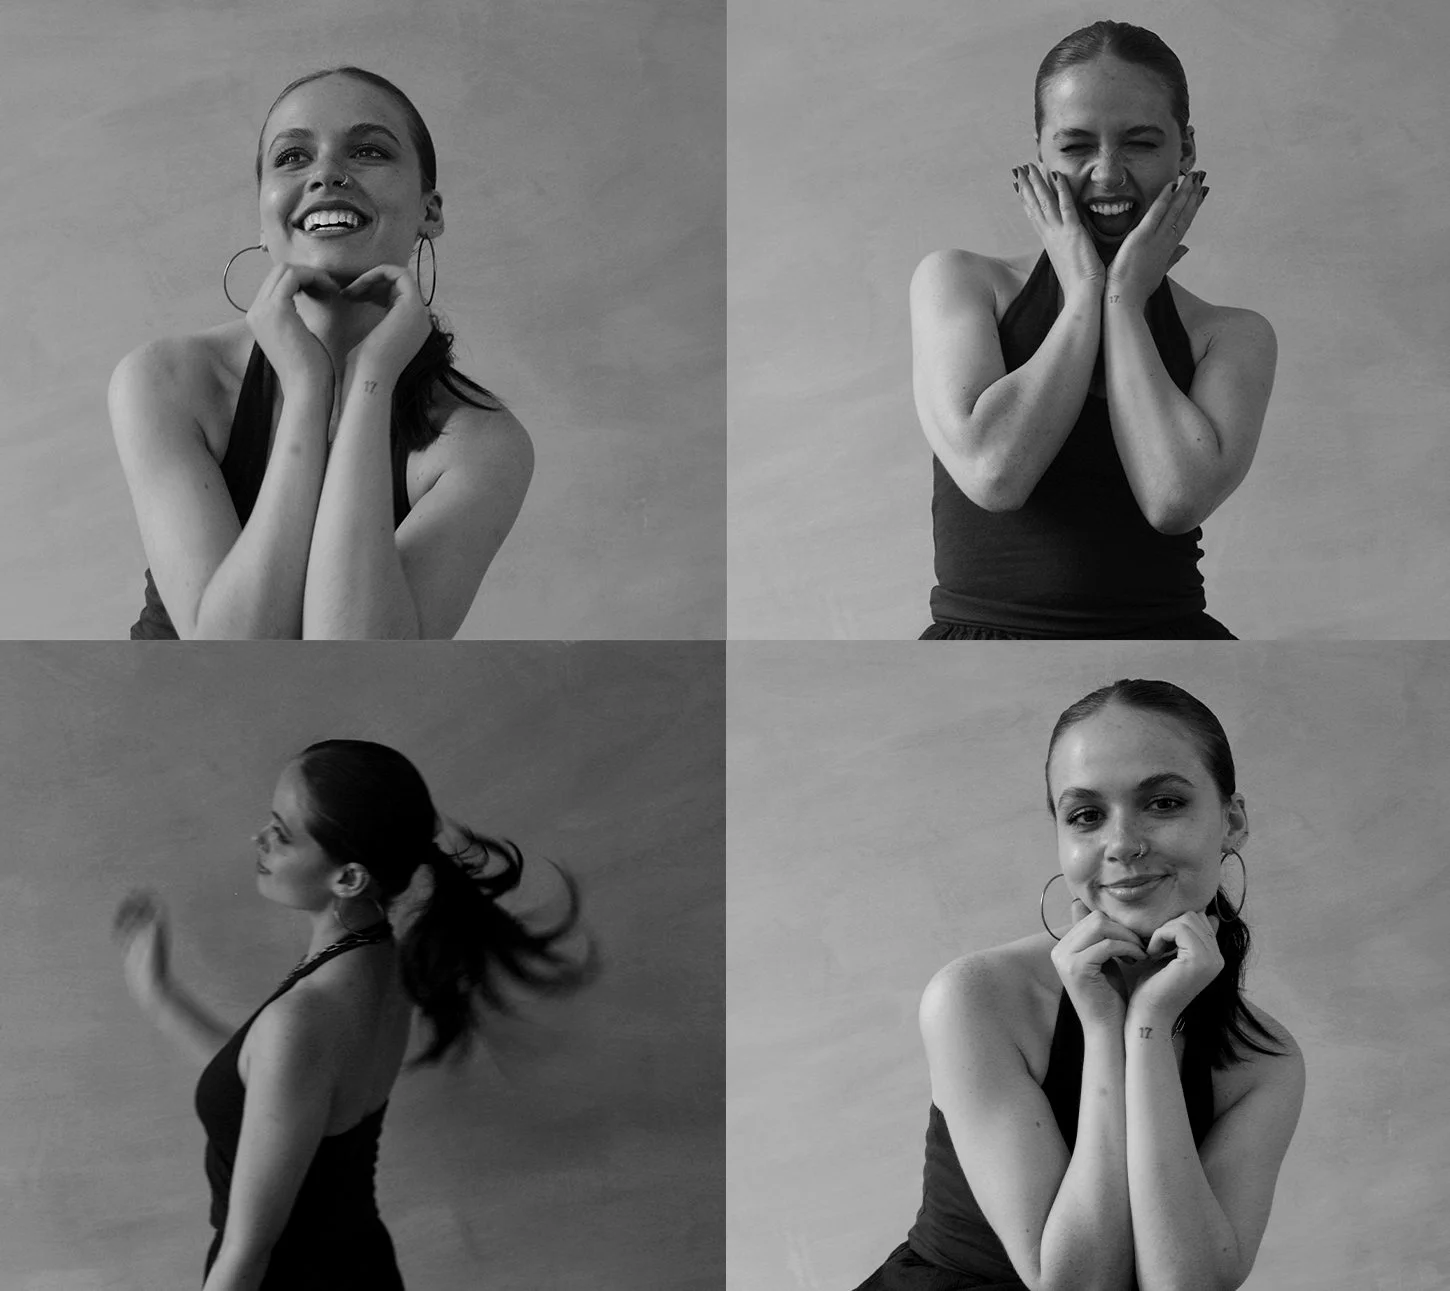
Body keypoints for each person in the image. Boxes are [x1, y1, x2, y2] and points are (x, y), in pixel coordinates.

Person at [853, 680, 1305, 1290]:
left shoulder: (1263, 1062)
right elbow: (1068, 1283)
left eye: (1164, 803)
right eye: (1087, 816)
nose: (1122, 844)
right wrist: (1100, 1027)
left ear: (1232, 821)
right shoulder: (977, 996)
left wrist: (1145, 1028)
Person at [113, 739, 595, 1290]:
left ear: (348, 878)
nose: (260, 839)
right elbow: (273, 1087)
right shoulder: (379, 962)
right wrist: (160, 994)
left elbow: (248, 1250)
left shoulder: (307, 1015)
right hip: (358, 1266)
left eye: (282, 832)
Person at [110, 67, 533, 639]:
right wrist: (308, 390)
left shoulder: (481, 442)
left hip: (344, 729)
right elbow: (231, 654)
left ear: (429, 212)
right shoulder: (167, 380)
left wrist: (370, 379)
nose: (327, 174)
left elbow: (354, 656)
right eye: (292, 158)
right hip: (170, 721)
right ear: (263, 215)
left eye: (367, 151)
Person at [911, 22, 1278, 639]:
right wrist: (1085, 287)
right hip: (982, 644)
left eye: (1139, 143)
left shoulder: (1231, 335)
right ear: (1040, 150)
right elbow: (994, 473)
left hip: (1171, 640)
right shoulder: (959, 281)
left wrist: (1126, 303)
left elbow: (1173, 500)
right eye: (1076, 146)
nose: (1107, 176)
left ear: (1185, 150)